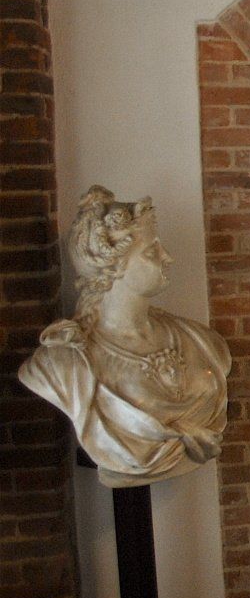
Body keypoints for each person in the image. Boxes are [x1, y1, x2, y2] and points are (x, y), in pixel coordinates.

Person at [18, 187, 230, 487]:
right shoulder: (65, 364)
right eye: (151, 251)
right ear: (112, 267)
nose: (167, 257)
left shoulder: (200, 341)